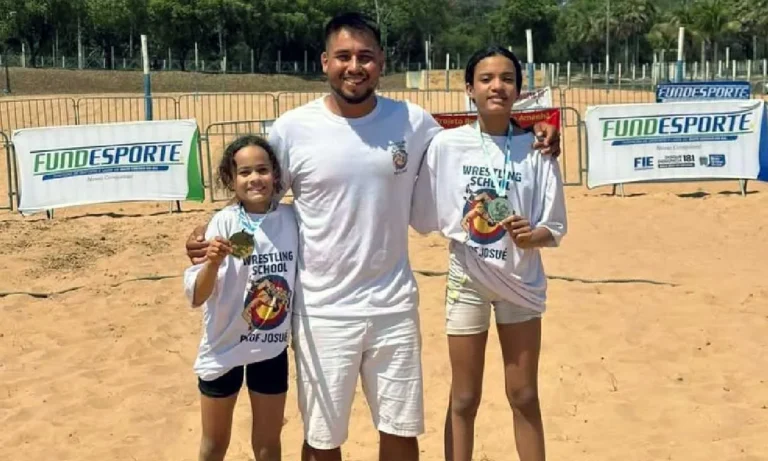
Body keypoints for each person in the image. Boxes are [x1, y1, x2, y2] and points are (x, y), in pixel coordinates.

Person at [185, 12, 563, 461]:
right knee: (323, 441)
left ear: (381, 62)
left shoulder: (414, 121)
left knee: (402, 436)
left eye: (365, 56)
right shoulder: (291, 130)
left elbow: (481, 133)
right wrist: (211, 229)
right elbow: (259, 198)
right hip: (322, 310)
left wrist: (541, 129)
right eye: (343, 56)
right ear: (325, 61)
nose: (355, 66)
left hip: (394, 306)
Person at [410, 46, 568, 461]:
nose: (497, 86)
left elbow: (554, 225)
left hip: (521, 282)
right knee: (463, 398)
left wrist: (531, 236)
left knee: (524, 394)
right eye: (486, 79)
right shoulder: (446, 145)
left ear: (519, 89)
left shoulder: (538, 148)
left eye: (507, 79)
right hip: (467, 281)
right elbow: (425, 213)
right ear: (469, 89)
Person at [183, 135, 298, 461]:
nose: (254, 178)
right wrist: (213, 262)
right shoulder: (223, 223)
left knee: (267, 445)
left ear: (276, 174)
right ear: (230, 180)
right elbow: (197, 296)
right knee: (214, 444)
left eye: (262, 169)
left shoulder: (291, 219)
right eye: (244, 172)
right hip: (223, 346)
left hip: (270, 347)